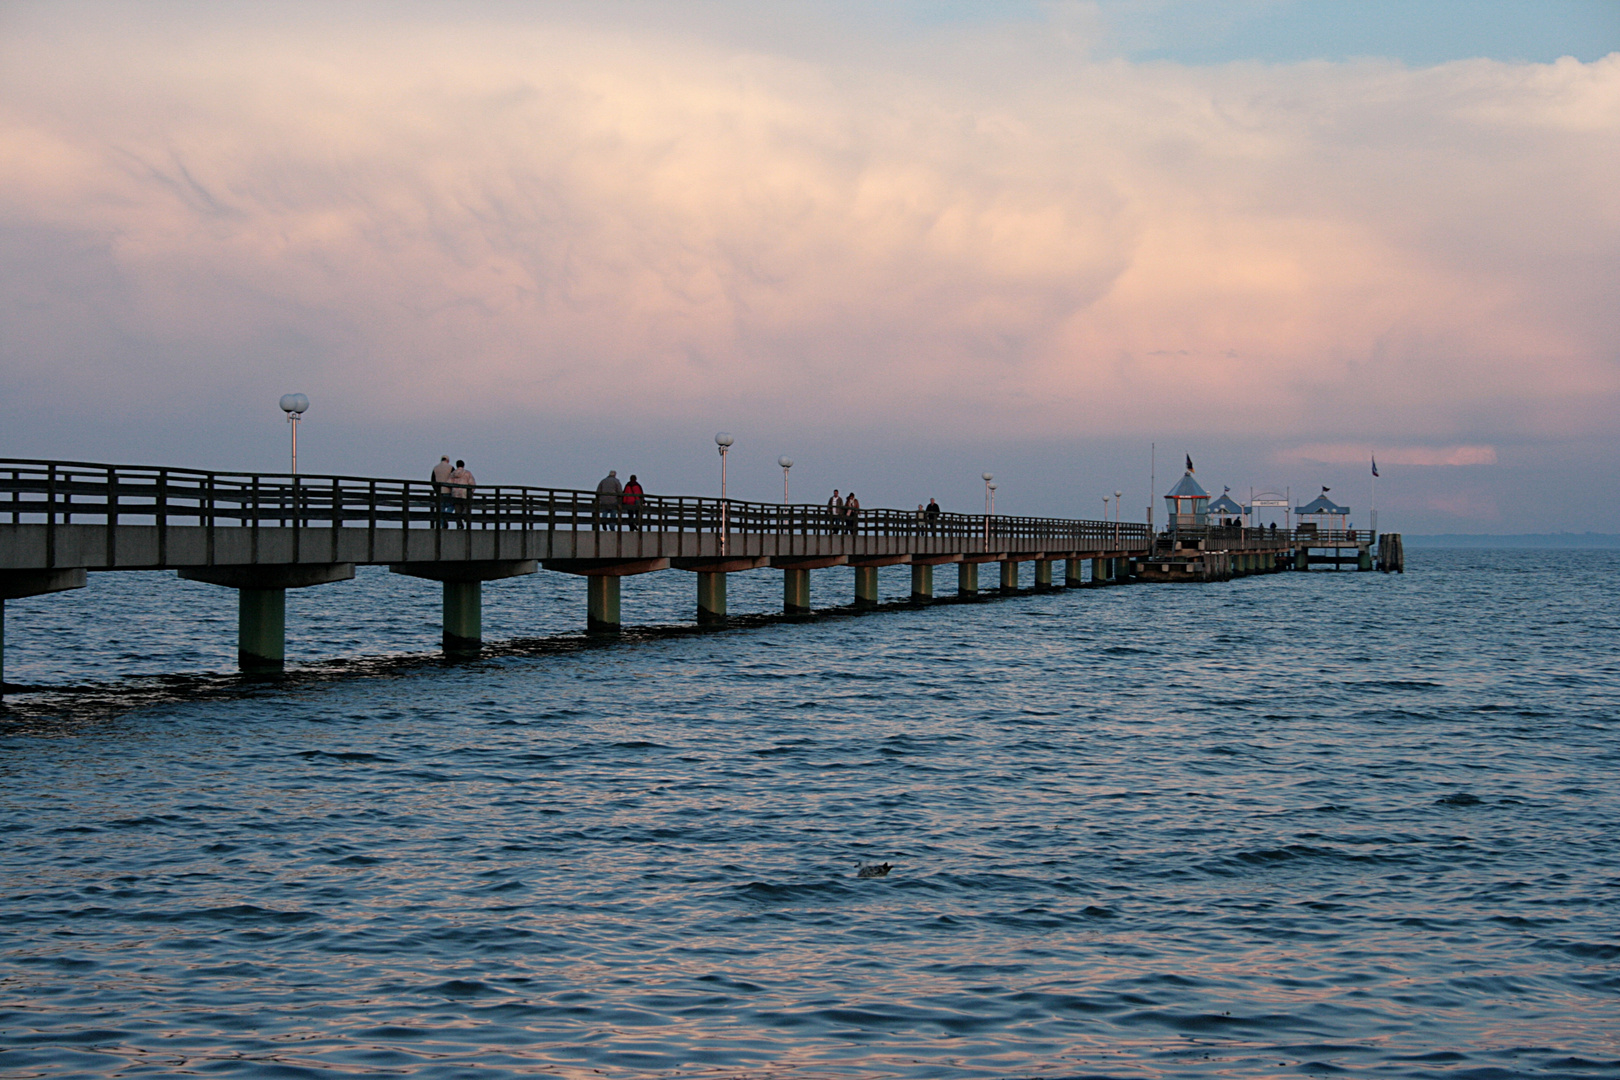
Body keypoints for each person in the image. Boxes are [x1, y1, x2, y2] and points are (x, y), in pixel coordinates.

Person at [448, 459, 476, 528]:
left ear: (457, 465)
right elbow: (472, 484)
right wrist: (471, 492)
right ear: (463, 465)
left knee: (457, 510)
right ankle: (465, 518)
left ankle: (459, 525)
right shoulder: (467, 473)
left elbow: (448, 483)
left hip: (455, 494)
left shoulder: (453, 474)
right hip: (464, 493)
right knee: (466, 507)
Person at [431, 455, 453, 526]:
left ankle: (442, 524)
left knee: (441, 508)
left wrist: (436, 489)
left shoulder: (435, 468)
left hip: (439, 491)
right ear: (448, 460)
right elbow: (454, 480)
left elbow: (433, 480)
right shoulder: (451, 468)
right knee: (451, 505)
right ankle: (447, 516)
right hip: (448, 490)